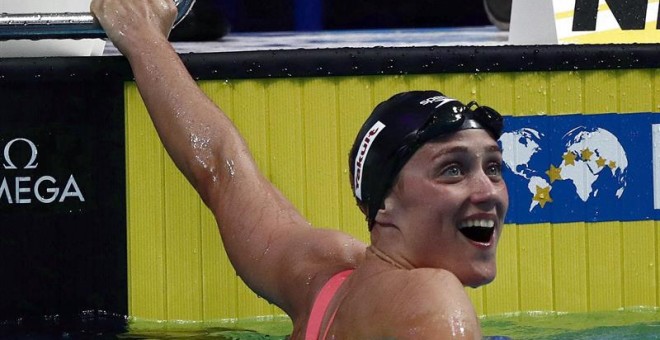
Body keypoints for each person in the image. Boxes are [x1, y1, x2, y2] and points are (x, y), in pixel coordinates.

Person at [90, 0, 508, 338]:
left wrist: (143, 35)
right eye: (452, 170)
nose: (487, 190)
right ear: (384, 204)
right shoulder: (433, 300)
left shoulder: (326, 279)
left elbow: (220, 167)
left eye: (493, 167)